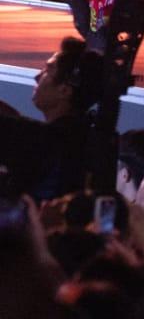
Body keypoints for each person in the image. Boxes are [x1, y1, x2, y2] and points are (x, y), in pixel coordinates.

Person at [0, 36, 101, 199]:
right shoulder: (81, 139)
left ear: (65, 90)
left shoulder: (44, 141)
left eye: (48, 70)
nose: (38, 77)